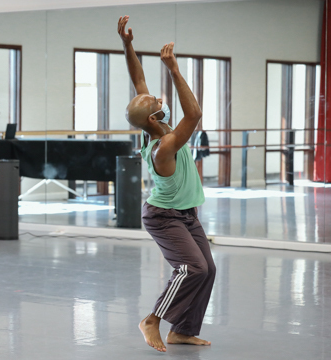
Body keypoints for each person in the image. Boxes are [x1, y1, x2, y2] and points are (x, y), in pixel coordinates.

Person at [118, 16, 215, 352]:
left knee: (208, 270)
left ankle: (182, 330)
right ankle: (153, 319)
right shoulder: (165, 146)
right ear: (153, 118)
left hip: (185, 212)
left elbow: (138, 78)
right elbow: (195, 114)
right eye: (157, 104)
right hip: (164, 216)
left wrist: (127, 44)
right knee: (192, 267)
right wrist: (174, 69)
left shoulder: (159, 127)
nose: (160, 101)